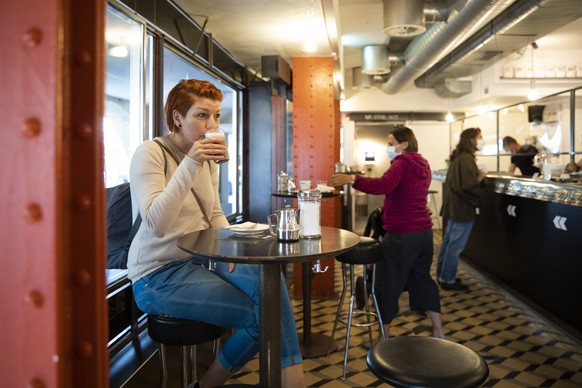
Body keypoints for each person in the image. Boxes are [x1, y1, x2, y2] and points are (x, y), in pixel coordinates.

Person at [127, 79, 304, 388]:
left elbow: (214, 213)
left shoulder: (207, 159)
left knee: (271, 287)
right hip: (158, 274)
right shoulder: (150, 153)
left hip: (203, 257)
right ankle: (213, 383)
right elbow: (156, 222)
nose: (211, 124)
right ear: (178, 117)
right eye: (201, 115)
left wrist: (230, 250)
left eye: (217, 116)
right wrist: (192, 162)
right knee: (261, 316)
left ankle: (288, 380)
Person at [330, 126, 444, 339]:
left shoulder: (401, 163)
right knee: (422, 280)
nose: (388, 148)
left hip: (402, 234)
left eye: (391, 144)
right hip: (424, 233)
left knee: (387, 283)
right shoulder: (423, 163)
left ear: (404, 144)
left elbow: (383, 185)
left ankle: (385, 338)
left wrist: (352, 179)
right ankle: (438, 329)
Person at [437, 127, 486, 292]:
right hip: (462, 209)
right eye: (480, 137)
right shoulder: (467, 159)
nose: (481, 139)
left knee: (448, 242)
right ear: (472, 139)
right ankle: (448, 279)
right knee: (455, 246)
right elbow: (469, 185)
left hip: (453, 207)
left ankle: (442, 274)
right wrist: (479, 178)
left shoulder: (459, 157)